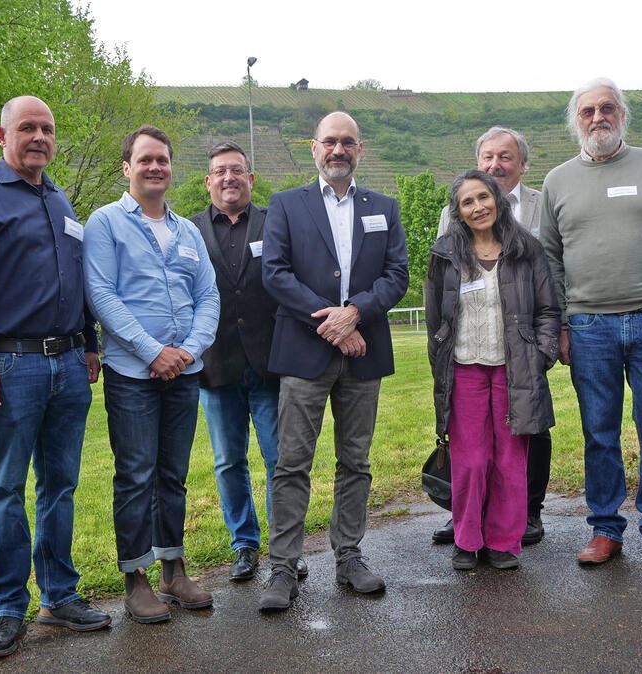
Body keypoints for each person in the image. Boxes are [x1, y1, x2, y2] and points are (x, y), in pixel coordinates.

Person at [0, 96, 110, 657]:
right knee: (7, 489)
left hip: (68, 364)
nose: (39, 137)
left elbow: (77, 281)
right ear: (1, 134)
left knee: (60, 486)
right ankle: (8, 608)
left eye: (47, 129)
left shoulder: (61, 199)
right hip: (8, 366)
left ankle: (59, 596)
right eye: (27, 128)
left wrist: (88, 344)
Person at [540, 77, 642, 569]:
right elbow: (549, 260)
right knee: (599, 432)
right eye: (587, 111)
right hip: (588, 327)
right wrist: (562, 325)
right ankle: (606, 527)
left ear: (622, 115)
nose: (597, 117)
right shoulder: (557, 180)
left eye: (606, 108)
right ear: (576, 121)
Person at [258, 112, 409, 612]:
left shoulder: (383, 207)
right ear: (313, 148)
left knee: (356, 462)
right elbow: (276, 274)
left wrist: (356, 314)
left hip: (363, 356)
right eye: (329, 142)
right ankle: (283, 568)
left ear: (359, 149)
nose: (338, 150)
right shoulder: (286, 205)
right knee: (291, 463)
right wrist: (332, 324)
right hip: (304, 352)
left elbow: (397, 274)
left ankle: (349, 556)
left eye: (347, 142)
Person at [83, 126, 221, 624]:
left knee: (173, 475)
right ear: (127, 167)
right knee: (136, 475)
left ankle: (173, 569)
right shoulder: (105, 224)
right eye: (145, 160)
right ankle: (136, 579)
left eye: (162, 159)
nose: (155, 167)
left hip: (184, 372)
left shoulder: (187, 232)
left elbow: (208, 296)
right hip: (132, 375)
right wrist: (151, 351)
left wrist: (185, 350)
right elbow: (101, 295)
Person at [425, 170, 560, 571]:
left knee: (509, 460)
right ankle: (467, 541)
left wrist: (540, 356)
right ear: (459, 212)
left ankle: (503, 541)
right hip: (464, 369)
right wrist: (440, 359)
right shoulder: (445, 251)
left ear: (497, 200)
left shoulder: (526, 249)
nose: (477, 207)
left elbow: (549, 310)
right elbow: (435, 318)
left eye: (483, 197)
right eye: (467, 202)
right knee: (470, 460)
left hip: (513, 369)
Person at [190, 142, 308, 581]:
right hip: (215, 365)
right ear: (208, 181)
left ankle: (285, 549)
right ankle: (243, 544)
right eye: (219, 171)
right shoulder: (191, 229)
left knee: (281, 459)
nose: (228, 178)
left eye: (237, 170)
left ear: (251, 178)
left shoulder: (275, 223)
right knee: (227, 461)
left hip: (271, 364)